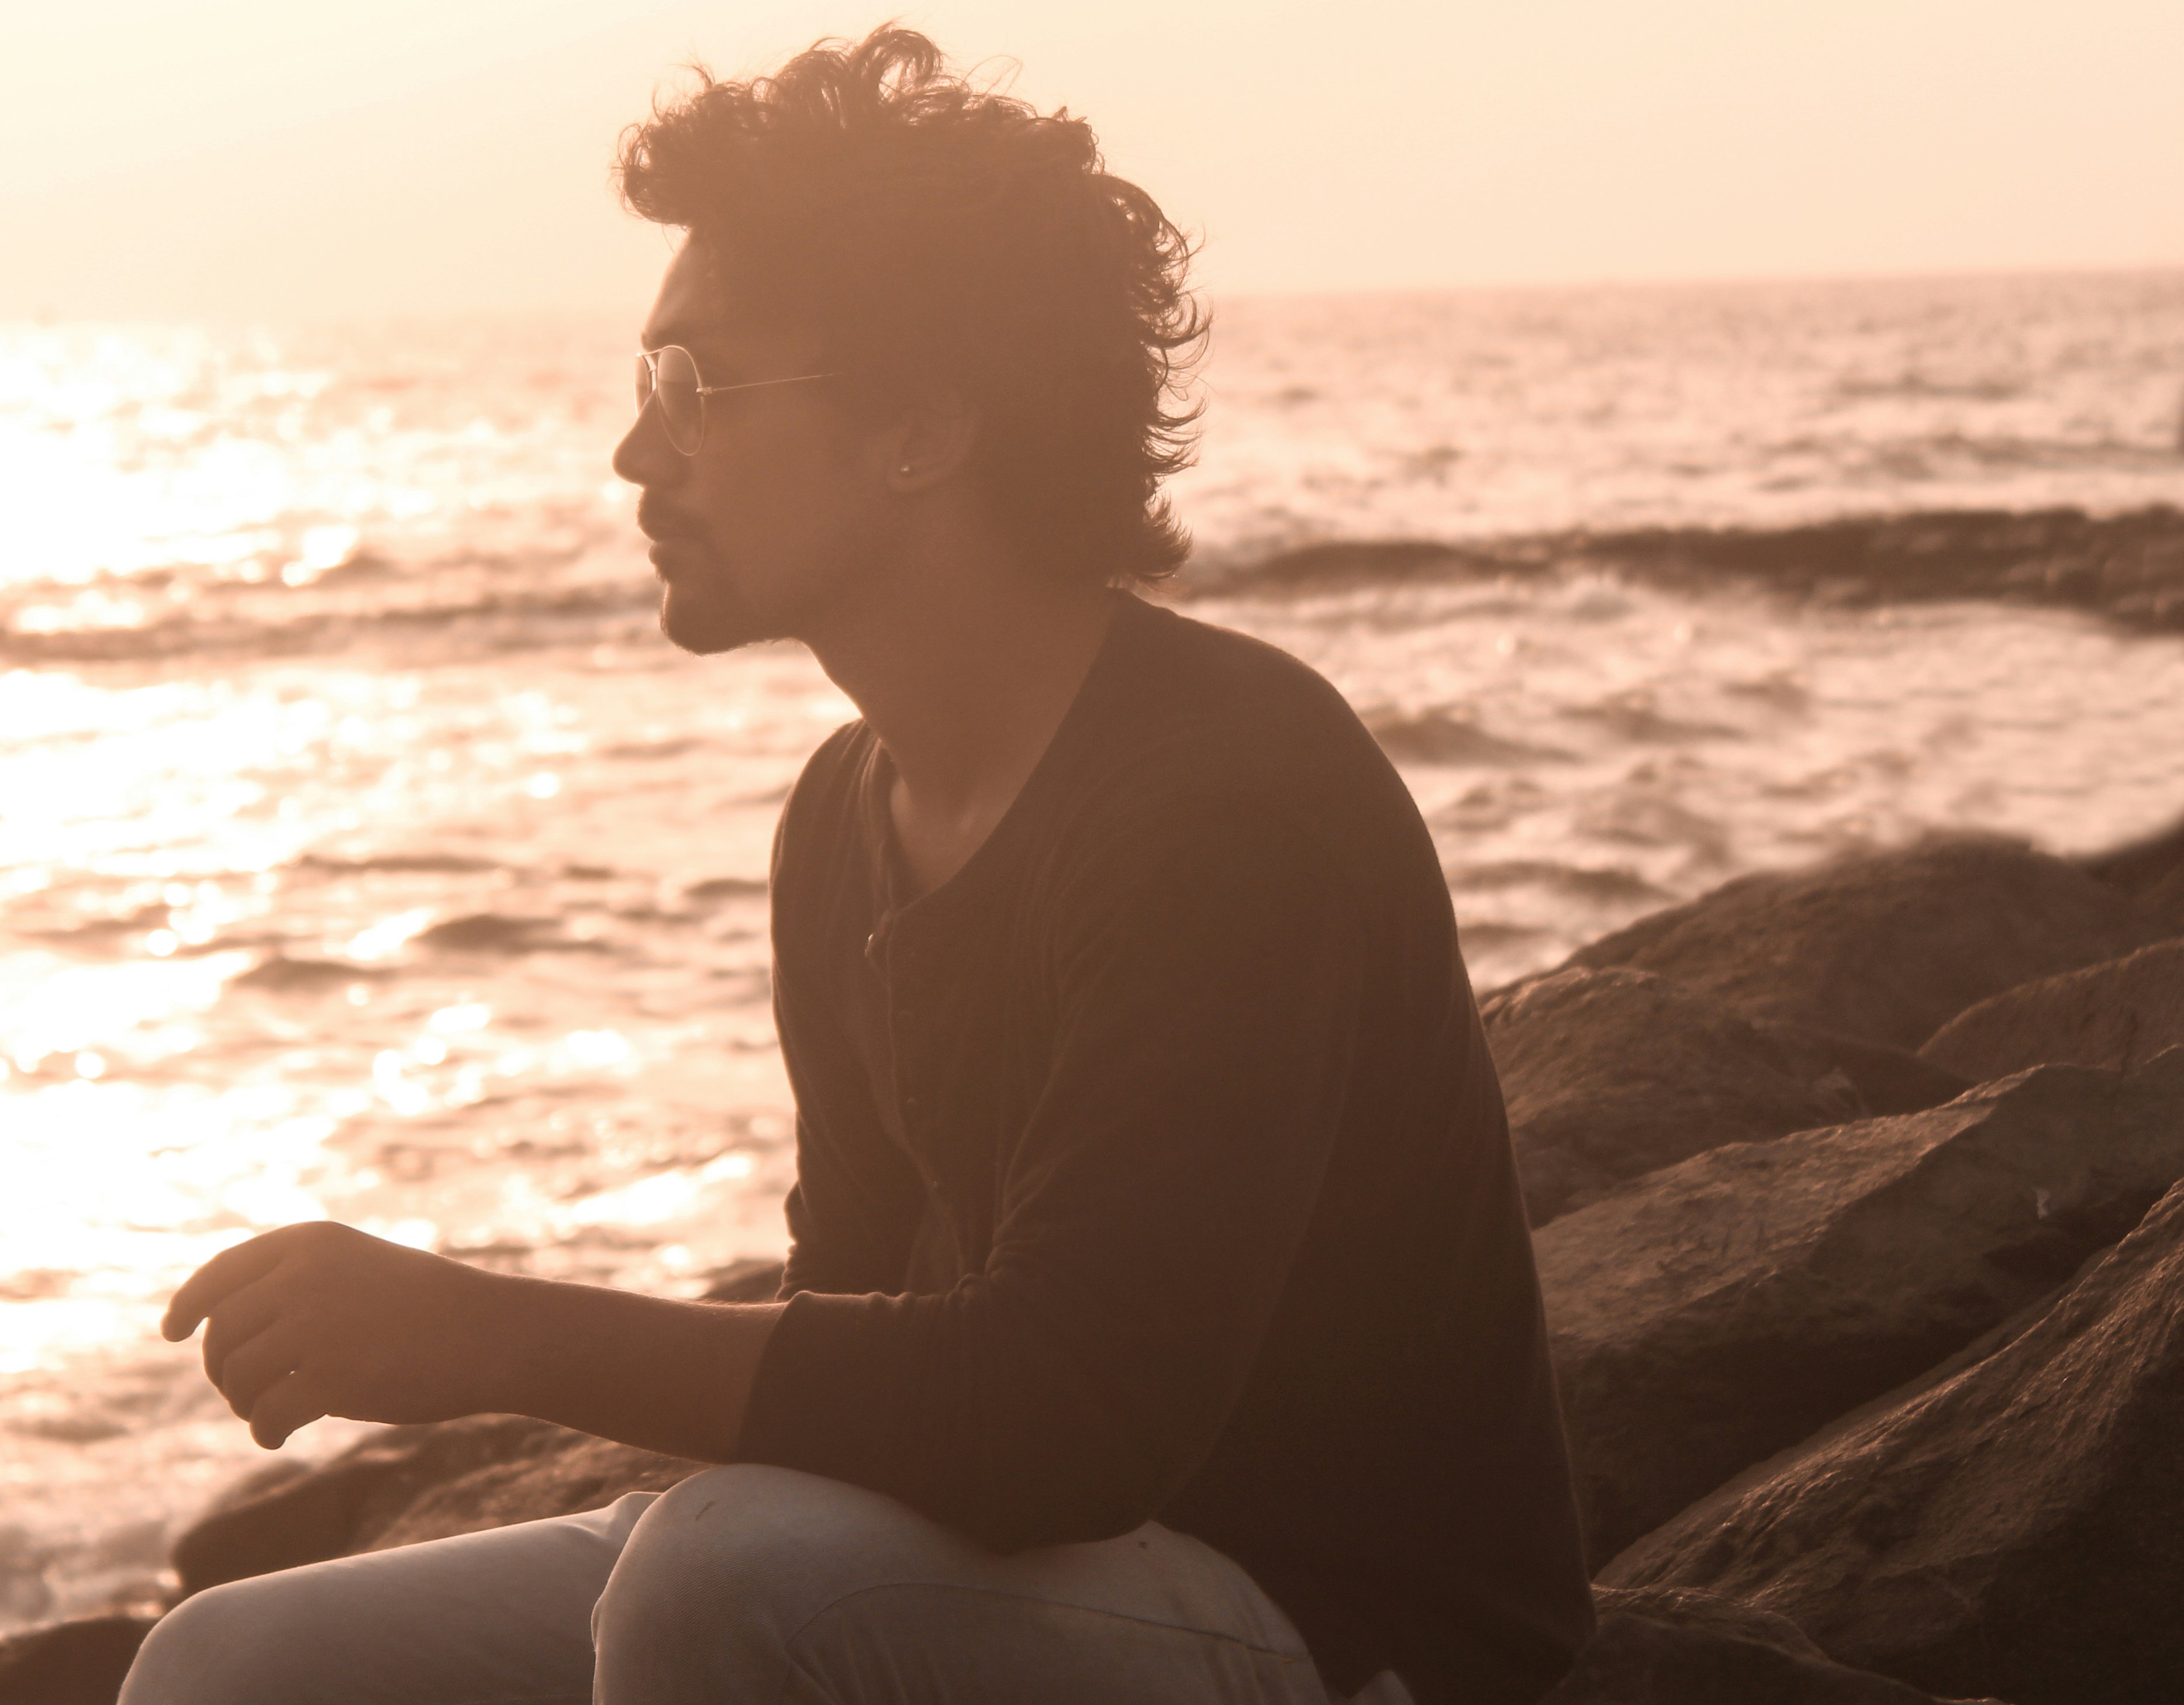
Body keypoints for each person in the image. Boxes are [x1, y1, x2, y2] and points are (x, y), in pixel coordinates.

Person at [121, 26, 1590, 1705]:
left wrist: (490, 1335)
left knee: (727, 1577)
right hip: (980, 1575)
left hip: (1348, 1629)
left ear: (921, 428)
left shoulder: (1224, 793)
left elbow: (1066, 1415)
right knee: (244, 1654)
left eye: (696, 386)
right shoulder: (845, 814)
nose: (635, 455)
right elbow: (865, 1341)